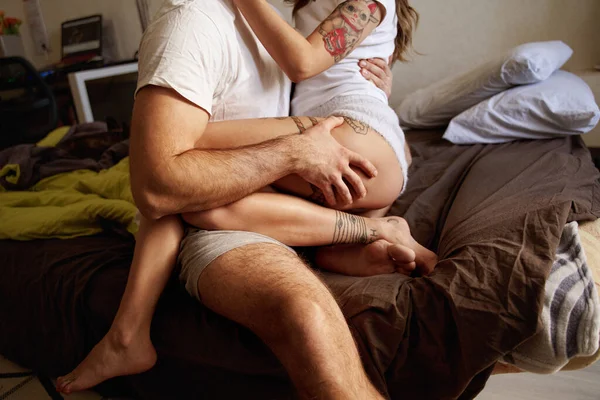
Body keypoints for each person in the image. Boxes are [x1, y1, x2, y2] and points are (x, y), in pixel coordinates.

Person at [57, 0, 436, 398]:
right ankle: (371, 231)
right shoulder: (209, 19)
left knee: (179, 152)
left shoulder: (366, 3)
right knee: (202, 192)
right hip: (352, 137)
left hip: (347, 130)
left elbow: (304, 63)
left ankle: (126, 332)